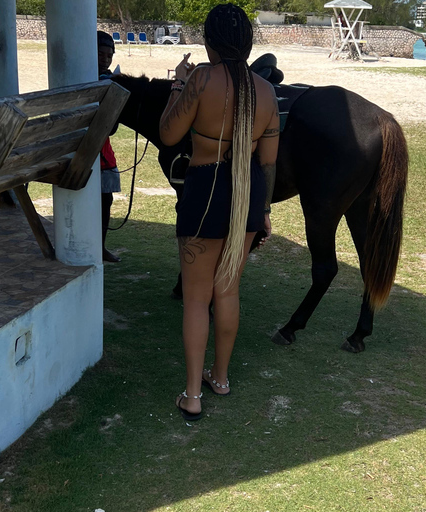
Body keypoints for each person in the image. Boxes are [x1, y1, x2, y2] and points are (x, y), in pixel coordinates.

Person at [159, 4, 279, 421]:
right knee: (227, 291)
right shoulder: (265, 90)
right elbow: (268, 160)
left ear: (209, 41)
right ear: (247, 42)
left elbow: (169, 135)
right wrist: (263, 210)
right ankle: (221, 378)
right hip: (247, 194)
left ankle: (193, 395)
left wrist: (177, 84)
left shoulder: (202, 78)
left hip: (204, 189)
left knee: (196, 299)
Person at [98, 30, 121, 263]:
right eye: (100, 54)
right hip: (94, 152)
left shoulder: (107, 80)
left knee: (105, 201)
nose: (105, 59)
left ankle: (101, 246)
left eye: (109, 55)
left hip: (103, 153)